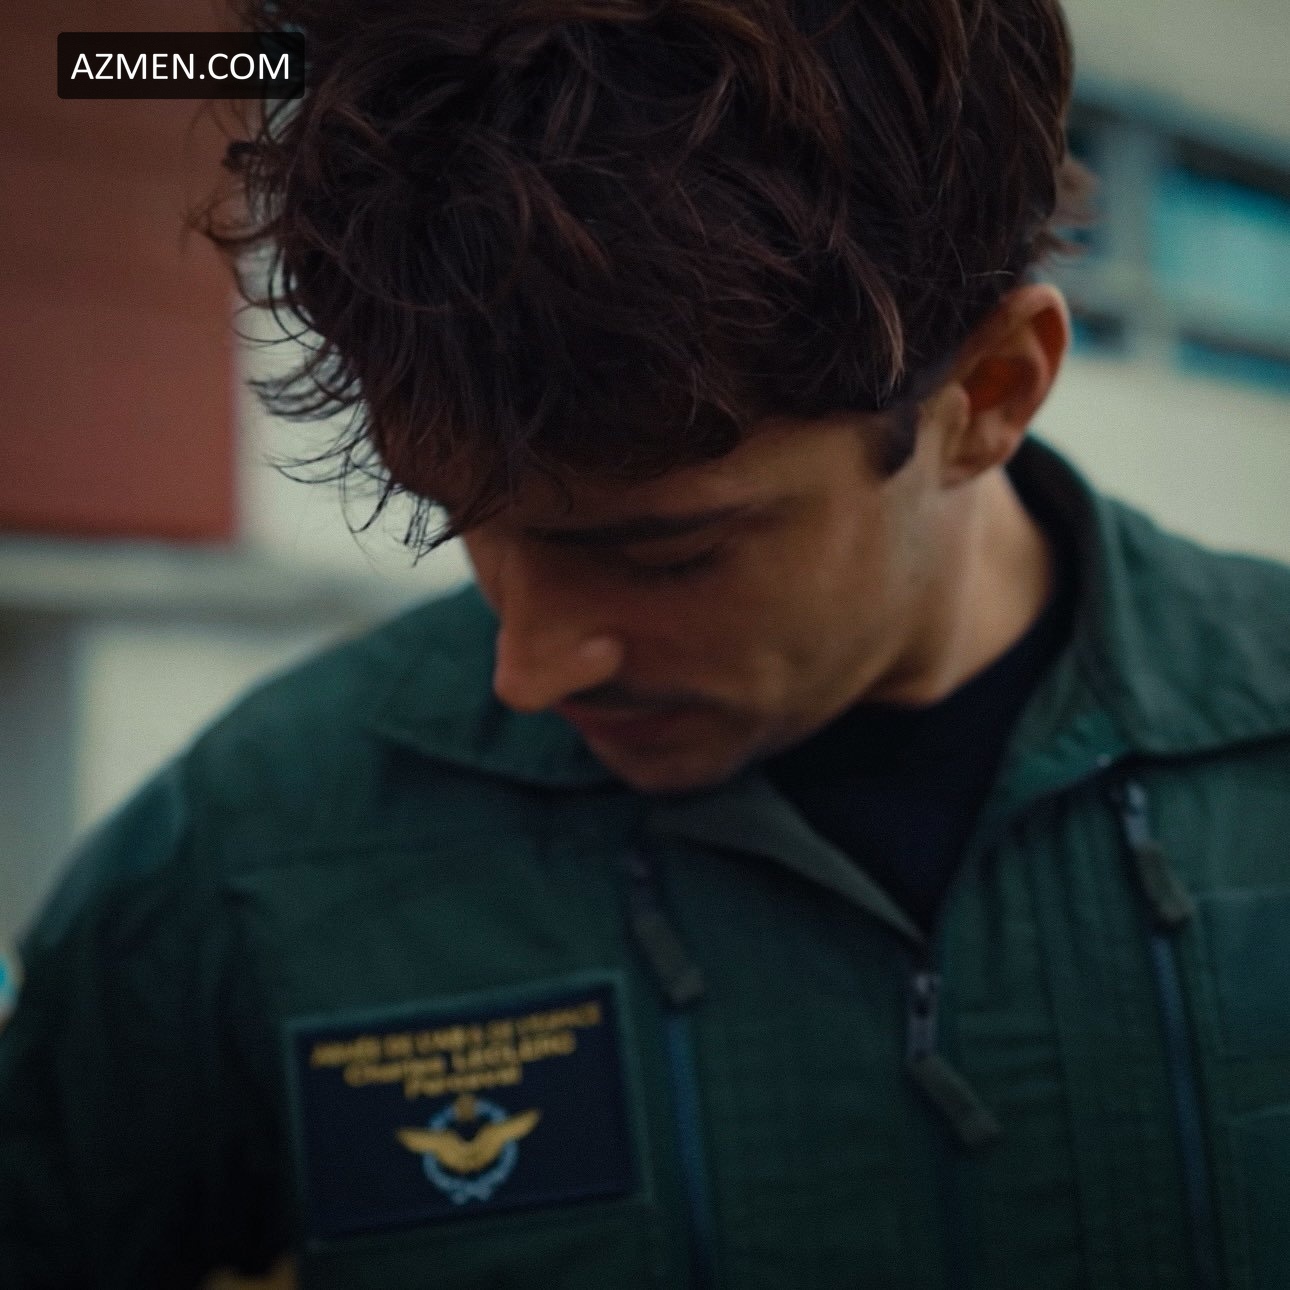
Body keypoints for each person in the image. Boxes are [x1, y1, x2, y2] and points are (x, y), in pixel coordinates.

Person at [3, 1, 1289, 1286]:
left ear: (993, 392)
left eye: (667, 555)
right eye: (467, 522)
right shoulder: (259, 838)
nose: (527, 668)